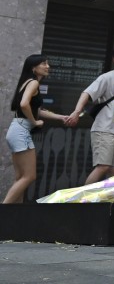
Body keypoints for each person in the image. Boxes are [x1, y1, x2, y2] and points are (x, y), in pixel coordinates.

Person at [4, 55, 70, 203]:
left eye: (47, 63)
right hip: (22, 130)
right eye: (44, 63)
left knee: (20, 178)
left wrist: (60, 117)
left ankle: (14, 217)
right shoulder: (33, 83)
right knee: (29, 176)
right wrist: (34, 122)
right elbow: (24, 104)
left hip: (16, 129)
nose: (48, 66)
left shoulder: (27, 82)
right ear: (33, 68)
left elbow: (36, 110)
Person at [66, 44, 114, 185]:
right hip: (104, 129)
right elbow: (87, 93)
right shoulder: (108, 77)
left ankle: (106, 203)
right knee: (102, 166)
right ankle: (84, 202)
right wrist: (77, 111)